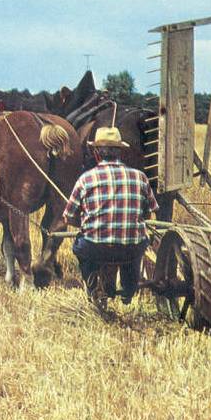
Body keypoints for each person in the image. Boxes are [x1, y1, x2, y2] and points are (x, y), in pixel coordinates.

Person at [62, 126, 158, 306]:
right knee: (135, 247)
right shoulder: (140, 177)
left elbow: (68, 216)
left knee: (80, 248)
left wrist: (85, 224)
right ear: (120, 152)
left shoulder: (85, 179)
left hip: (95, 247)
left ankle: (93, 289)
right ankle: (129, 290)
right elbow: (149, 211)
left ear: (96, 152)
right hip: (132, 248)